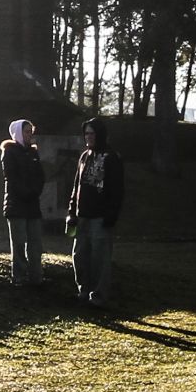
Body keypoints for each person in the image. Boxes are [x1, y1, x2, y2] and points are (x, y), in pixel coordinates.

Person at [66, 117, 124, 307]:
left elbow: (117, 189)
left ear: (99, 134)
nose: (88, 137)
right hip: (82, 216)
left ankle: (98, 296)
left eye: (91, 133)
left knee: (100, 258)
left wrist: (111, 214)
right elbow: (76, 186)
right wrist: (71, 212)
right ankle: (83, 290)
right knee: (79, 256)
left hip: (101, 217)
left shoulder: (111, 157)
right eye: (86, 133)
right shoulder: (84, 156)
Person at [1, 119, 45, 286]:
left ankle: (36, 276)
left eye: (30, 132)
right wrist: (26, 192)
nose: (29, 135)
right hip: (16, 204)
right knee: (19, 243)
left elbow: (40, 176)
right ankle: (19, 276)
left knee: (35, 243)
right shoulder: (9, 152)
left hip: (32, 203)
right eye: (27, 132)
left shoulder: (33, 153)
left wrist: (35, 191)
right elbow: (11, 177)